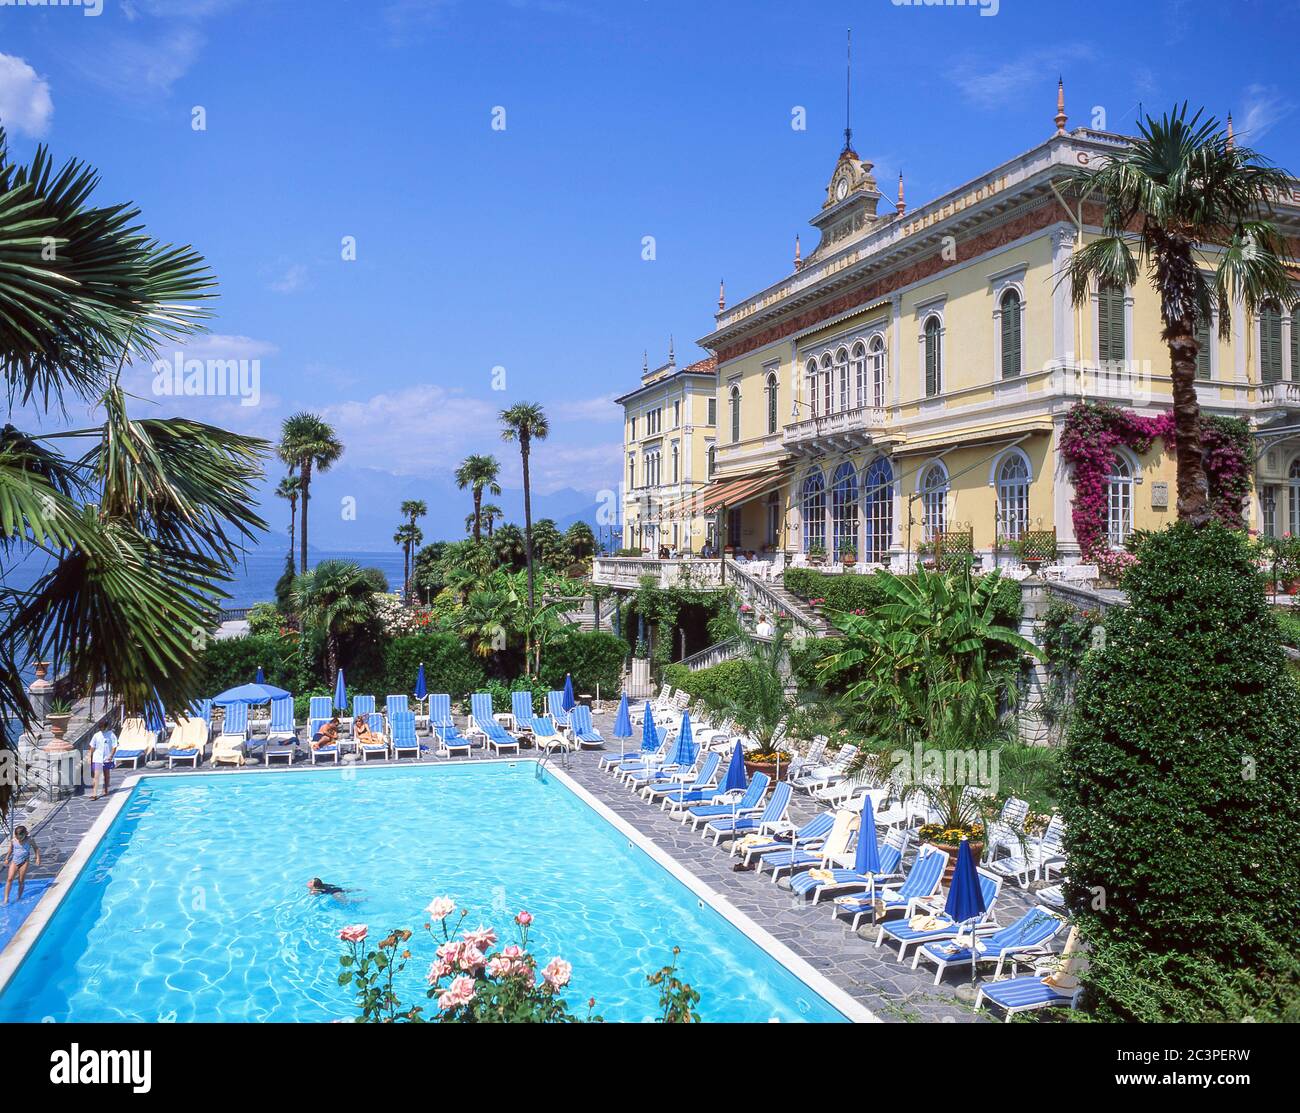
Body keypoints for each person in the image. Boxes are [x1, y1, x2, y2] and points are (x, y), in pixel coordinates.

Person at [3, 826, 40, 905]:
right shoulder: (14, 840)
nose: (19, 839)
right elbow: (11, 849)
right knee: (9, 879)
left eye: (21, 837)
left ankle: (19, 898)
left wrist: (38, 858)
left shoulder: (30, 840)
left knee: (21, 881)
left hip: (24, 861)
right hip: (14, 861)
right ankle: (6, 899)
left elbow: (36, 848)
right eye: (17, 837)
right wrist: (6, 858)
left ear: (25, 834)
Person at [88, 721, 118, 801]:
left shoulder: (111, 735)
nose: (101, 729)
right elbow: (92, 746)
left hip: (107, 758)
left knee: (106, 775)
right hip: (97, 758)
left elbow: (114, 746)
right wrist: (89, 756)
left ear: (106, 727)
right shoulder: (96, 735)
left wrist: (111, 755)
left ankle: (106, 789)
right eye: (100, 727)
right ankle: (94, 794)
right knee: (96, 776)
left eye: (102, 727)